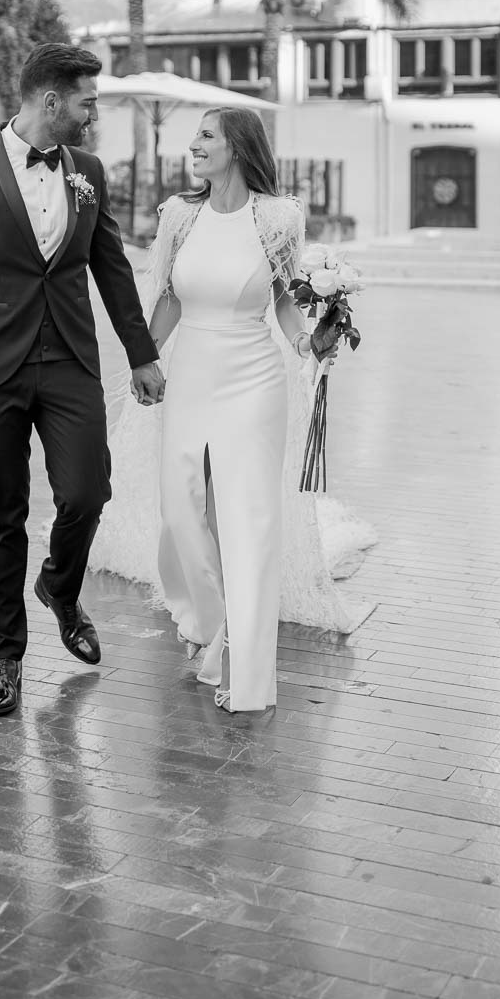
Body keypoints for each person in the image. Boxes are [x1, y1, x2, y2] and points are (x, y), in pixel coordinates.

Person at [0, 42, 165, 719]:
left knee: (87, 491)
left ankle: (60, 586)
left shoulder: (86, 171)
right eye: (86, 101)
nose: (91, 115)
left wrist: (141, 354)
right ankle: (5, 657)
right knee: (4, 517)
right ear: (50, 100)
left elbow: (110, 265)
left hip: (69, 364)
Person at [143, 107, 337, 713]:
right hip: (192, 374)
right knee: (183, 510)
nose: (193, 145)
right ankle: (208, 622)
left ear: (237, 147)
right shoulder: (179, 216)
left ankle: (247, 675)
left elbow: (283, 298)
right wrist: (143, 358)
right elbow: (170, 299)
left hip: (255, 380)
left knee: (246, 522)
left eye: (205, 135)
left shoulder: (278, 219)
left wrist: (308, 341)